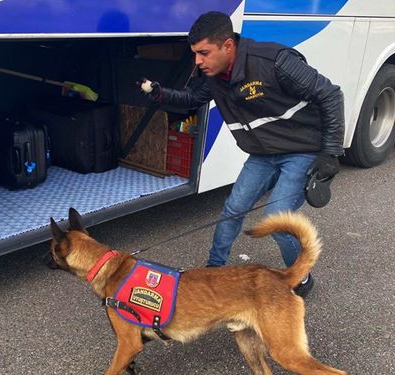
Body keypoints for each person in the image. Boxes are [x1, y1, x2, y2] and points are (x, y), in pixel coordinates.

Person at [139, 11, 344, 297]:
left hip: (302, 150)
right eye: (195, 54)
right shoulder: (212, 75)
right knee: (233, 209)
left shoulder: (274, 61)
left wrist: (331, 152)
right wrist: (160, 94)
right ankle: (212, 272)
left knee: (277, 221)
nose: (198, 61)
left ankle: (301, 278)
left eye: (204, 53)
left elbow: (330, 94)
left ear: (228, 46)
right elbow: (191, 98)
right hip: (263, 154)